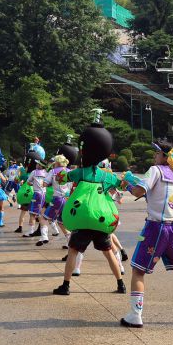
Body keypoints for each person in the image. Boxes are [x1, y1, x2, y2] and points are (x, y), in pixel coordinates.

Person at [120, 140, 173, 328]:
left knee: (138, 270)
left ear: (165, 156)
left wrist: (127, 185)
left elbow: (138, 191)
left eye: (157, 153)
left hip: (155, 228)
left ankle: (135, 315)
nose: (154, 156)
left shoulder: (155, 170)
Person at [53, 113, 126, 296]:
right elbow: (121, 184)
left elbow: (61, 178)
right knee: (108, 252)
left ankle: (66, 286)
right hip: (101, 218)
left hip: (82, 217)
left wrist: (60, 170)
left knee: (73, 251)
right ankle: (120, 284)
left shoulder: (80, 173)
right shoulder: (106, 176)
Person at [38, 154, 69, 247]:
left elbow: (44, 184)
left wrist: (50, 182)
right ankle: (69, 241)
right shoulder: (69, 171)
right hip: (68, 199)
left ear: (57, 163)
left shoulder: (53, 171)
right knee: (60, 222)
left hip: (57, 198)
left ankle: (44, 237)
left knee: (43, 217)